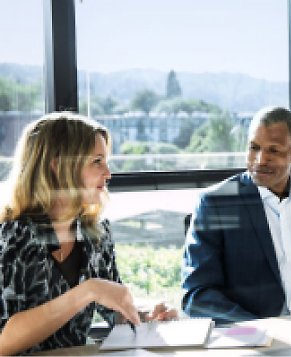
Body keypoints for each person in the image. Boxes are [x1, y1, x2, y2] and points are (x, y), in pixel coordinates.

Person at [0, 112, 176, 355]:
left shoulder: (95, 233)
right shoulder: (13, 234)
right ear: (58, 165)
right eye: (97, 161)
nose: (108, 173)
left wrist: (147, 317)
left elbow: (114, 311)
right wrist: (88, 290)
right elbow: (4, 341)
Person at [182, 106, 291, 324]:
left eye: (273, 150)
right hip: (256, 337)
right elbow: (197, 295)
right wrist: (259, 328)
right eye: (254, 148)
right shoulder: (217, 204)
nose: (260, 160)